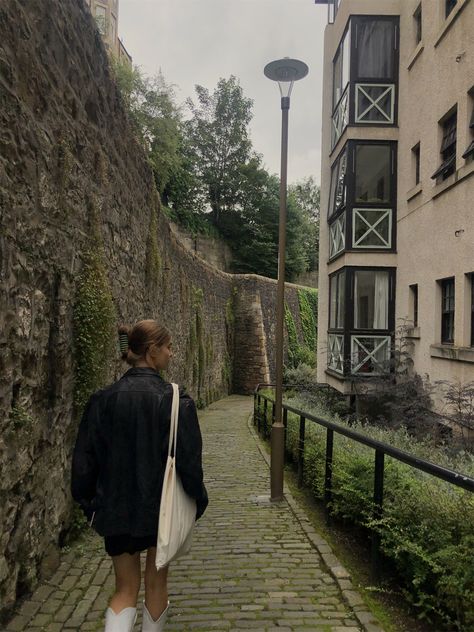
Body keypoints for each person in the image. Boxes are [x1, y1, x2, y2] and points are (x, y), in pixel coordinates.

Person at [71, 319, 208, 632]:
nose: (172, 354)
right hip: (160, 509)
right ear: (152, 351)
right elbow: (190, 463)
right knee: (156, 586)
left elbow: (84, 463)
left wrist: (91, 506)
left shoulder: (101, 400)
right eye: (168, 347)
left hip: (115, 508)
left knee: (124, 589)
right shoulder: (176, 401)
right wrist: (198, 501)